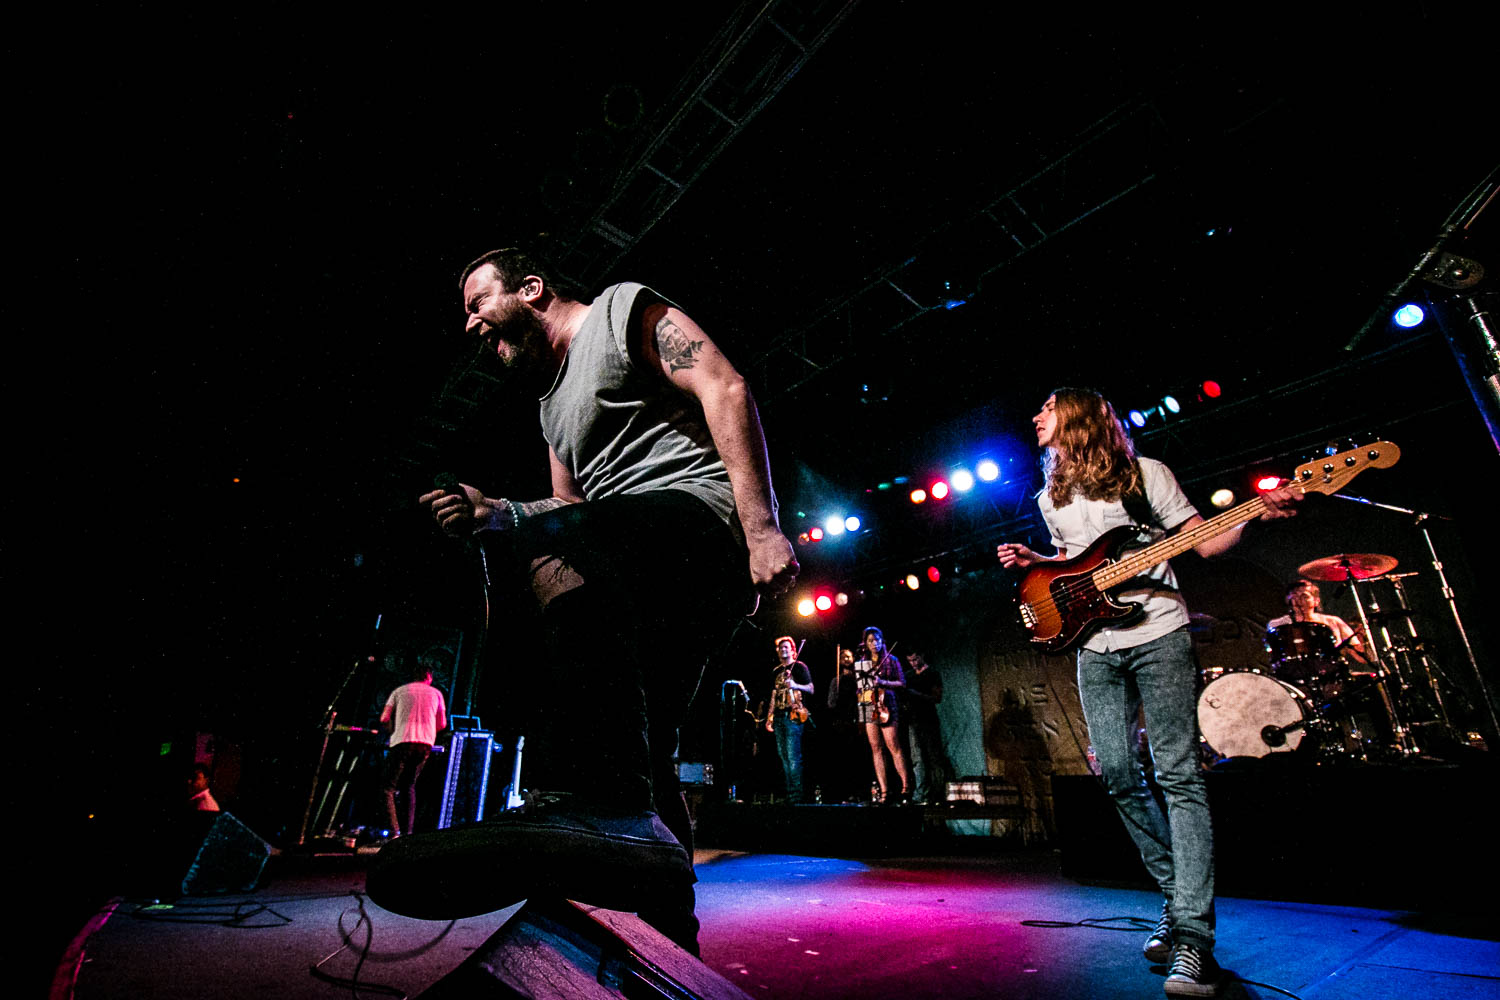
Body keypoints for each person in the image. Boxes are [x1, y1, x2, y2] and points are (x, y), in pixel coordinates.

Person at [371, 247, 797, 954]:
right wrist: (497, 510)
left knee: (552, 548)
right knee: (646, 752)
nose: (471, 324)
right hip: (634, 564)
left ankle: (576, 794)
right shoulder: (548, 409)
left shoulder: (619, 311)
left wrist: (761, 530)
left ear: (532, 289)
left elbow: (724, 387)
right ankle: (671, 935)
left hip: (702, 522)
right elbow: (568, 507)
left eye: (479, 302)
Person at [997, 387, 1299, 997]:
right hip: (1094, 647)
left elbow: (1204, 540)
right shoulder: (1047, 494)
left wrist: (1252, 510)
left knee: (1179, 776)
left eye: (1047, 407)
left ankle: (1193, 937)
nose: (1036, 416)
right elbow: (1073, 562)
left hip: (1159, 630)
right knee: (1114, 773)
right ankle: (1175, 894)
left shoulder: (1144, 476)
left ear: (1077, 416)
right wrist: (1041, 561)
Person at [378, 659, 448, 839]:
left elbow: (384, 718)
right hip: (424, 744)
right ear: (429, 676)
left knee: (388, 788)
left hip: (402, 741)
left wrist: (394, 732)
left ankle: (394, 832)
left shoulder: (399, 691)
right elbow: (442, 723)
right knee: (409, 786)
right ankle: (408, 834)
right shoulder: (436, 694)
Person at [853, 626, 912, 804]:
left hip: (887, 703)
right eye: (870, 641)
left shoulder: (891, 660)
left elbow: (902, 683)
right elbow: (860, 687)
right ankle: (884, 790)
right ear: (866, 643)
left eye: (877, 640)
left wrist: (883, 682)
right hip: (868, 704)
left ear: (882, 641)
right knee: (876, 748)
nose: (874, 644)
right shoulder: (862, 662)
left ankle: (905, 786)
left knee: (893, 745)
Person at [1266, 579, 1366, 661]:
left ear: (1316, 601)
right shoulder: (1277, 624)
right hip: (1292, 679)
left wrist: (1364, 641)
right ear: (1288, 600)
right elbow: (1274, 657)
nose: (1299, 600)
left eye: (1304, 596)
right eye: (1294, 596)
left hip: (1330, 677)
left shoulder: (1334, 622)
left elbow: (1362, 659)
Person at [765, 636, 814, 802]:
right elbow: (773, 695)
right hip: (778, 716)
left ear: (793, 650)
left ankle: (796, 796)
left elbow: (811, 688)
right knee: (784, 758)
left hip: (793, 715)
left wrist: (794, 685)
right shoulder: (776, 671)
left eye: (786, 647)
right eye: (781, 648)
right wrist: (769, 717)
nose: (783, 650)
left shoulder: (799, 667)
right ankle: (789, 793)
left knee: (793, 758)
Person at [902, 650, 947, 804]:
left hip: (929, 719)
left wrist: (916, 694)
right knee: (917, 759)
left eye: (915, 659)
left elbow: (937, 698)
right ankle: (921, 794)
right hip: (913, 721)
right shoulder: (908, 676)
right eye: (910, 660)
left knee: (934, 757)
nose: (913, 663)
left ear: (922, 656)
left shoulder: (932, 673)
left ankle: (938, 794)